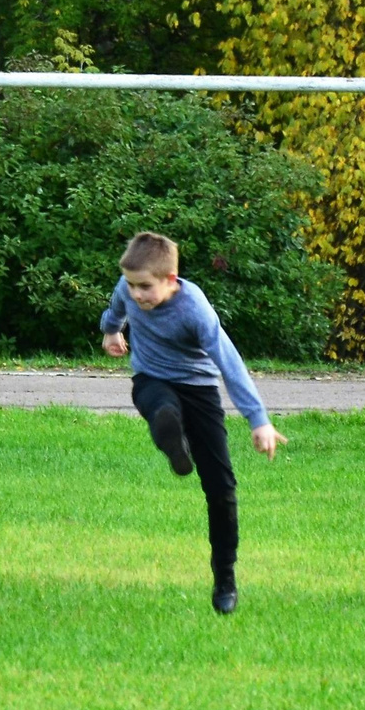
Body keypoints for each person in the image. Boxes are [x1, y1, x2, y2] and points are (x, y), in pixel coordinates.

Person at [99, 231, 285, 614]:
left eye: (145, 287)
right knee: (161, 406)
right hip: (151, 380)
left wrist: (258, 420)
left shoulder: (194, 309)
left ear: (171, 279)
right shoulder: (128, 286)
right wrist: (111, 329)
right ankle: (172, 437)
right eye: (132, 285)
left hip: (199, 390)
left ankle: (225, 579)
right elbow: (117, 306)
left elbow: (229, 364)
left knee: (221, 489)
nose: (136, 294)